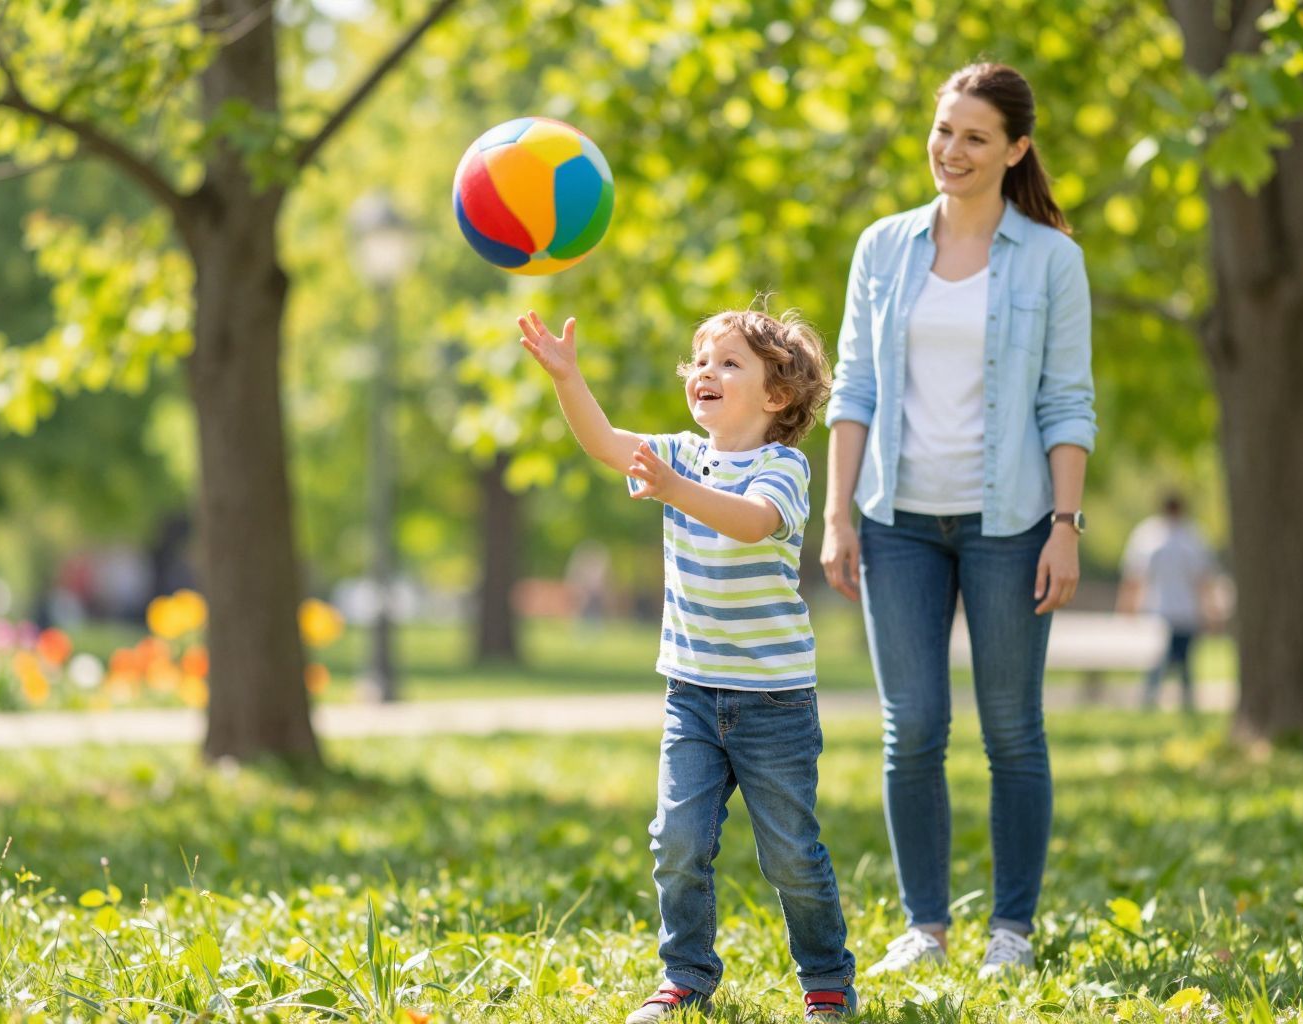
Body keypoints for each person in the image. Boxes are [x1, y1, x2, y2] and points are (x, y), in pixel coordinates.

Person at [819, 62, 1096, 979]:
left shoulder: (1053, 260)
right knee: (913, 728)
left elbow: (1067, 403)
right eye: (943, 130)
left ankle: (1010, 930)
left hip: (1011, 522)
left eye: (976, 136)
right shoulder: (883, 247)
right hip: (895, 520)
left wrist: (1066, 523)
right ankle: (924, 927)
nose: (952, 151)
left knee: (1012, 729)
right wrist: (837, 514)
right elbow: (852, 386)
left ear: (1016, 149)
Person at [518, 306, 858, 1020]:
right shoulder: (678, 454)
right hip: (693, 695)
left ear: (776, 396)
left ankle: (826, 979)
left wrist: (675, 492)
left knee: (791, 853)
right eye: (700, 359)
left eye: (729, 362)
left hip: (774, 703)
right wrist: (568, 378)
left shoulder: (782, 466)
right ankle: (686, 976)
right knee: (676, 841)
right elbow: (606, 442)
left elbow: (752, 522)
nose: (705, 370)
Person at [1118, 493, 1220, 712]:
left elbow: (1134, 578)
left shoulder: (1151, 535)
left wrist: (1127, 607)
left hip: (1169, 610)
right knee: (1165, 663)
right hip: (1168, 611)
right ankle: (1158, 703)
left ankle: (1169, 703)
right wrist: (1210, 611)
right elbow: (1204, 581)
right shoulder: (1191, 536)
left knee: (1177, 664)